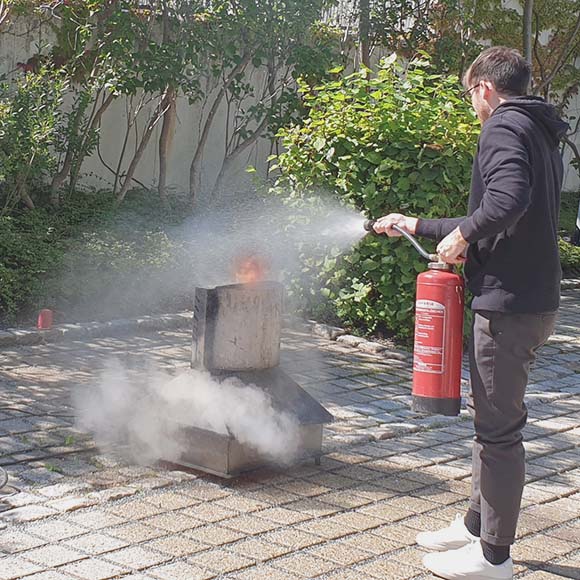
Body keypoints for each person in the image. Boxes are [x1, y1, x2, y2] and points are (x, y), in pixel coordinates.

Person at [374, 46, 568, 580]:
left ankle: (495, 559)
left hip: (508, 306)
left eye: (470, 94)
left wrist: (462, 236)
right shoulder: (536, 129)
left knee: (499, 433)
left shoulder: (503, 127)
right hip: (530, 299)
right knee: (491, 425)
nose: (472, 105)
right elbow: (504, 210)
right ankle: (475, 527)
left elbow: (506, 200)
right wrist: (417, 224)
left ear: (484, 86)